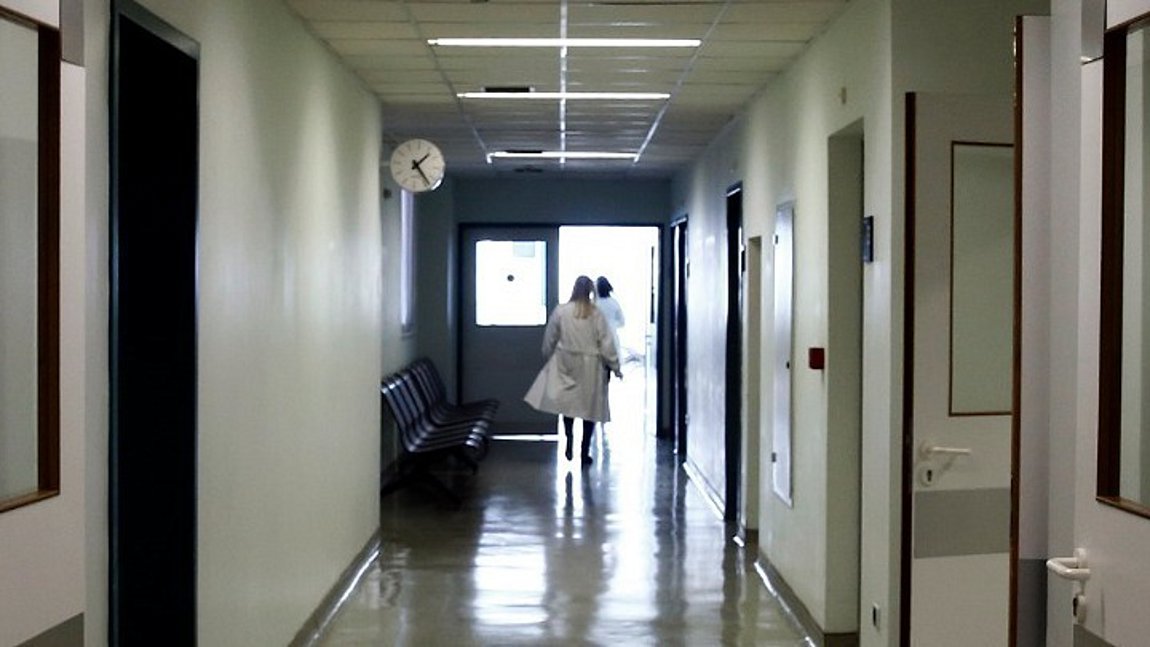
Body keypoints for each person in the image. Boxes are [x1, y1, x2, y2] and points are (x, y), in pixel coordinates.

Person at [524, 276, 622, 465]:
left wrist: (548, 354)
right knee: (589, 409)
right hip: (590, 365)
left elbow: (550, 337)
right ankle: (584, 452)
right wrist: (615, 366)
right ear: (591, 291)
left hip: (565, 362)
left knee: (567, 405)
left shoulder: (561, 311)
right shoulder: (596, 314)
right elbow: (606, 342)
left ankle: (569, 440)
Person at [594, 276, 625, 360]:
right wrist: (612, 324)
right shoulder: (614, 303)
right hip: (612, 337)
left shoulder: (595, 304)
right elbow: (622, 322)